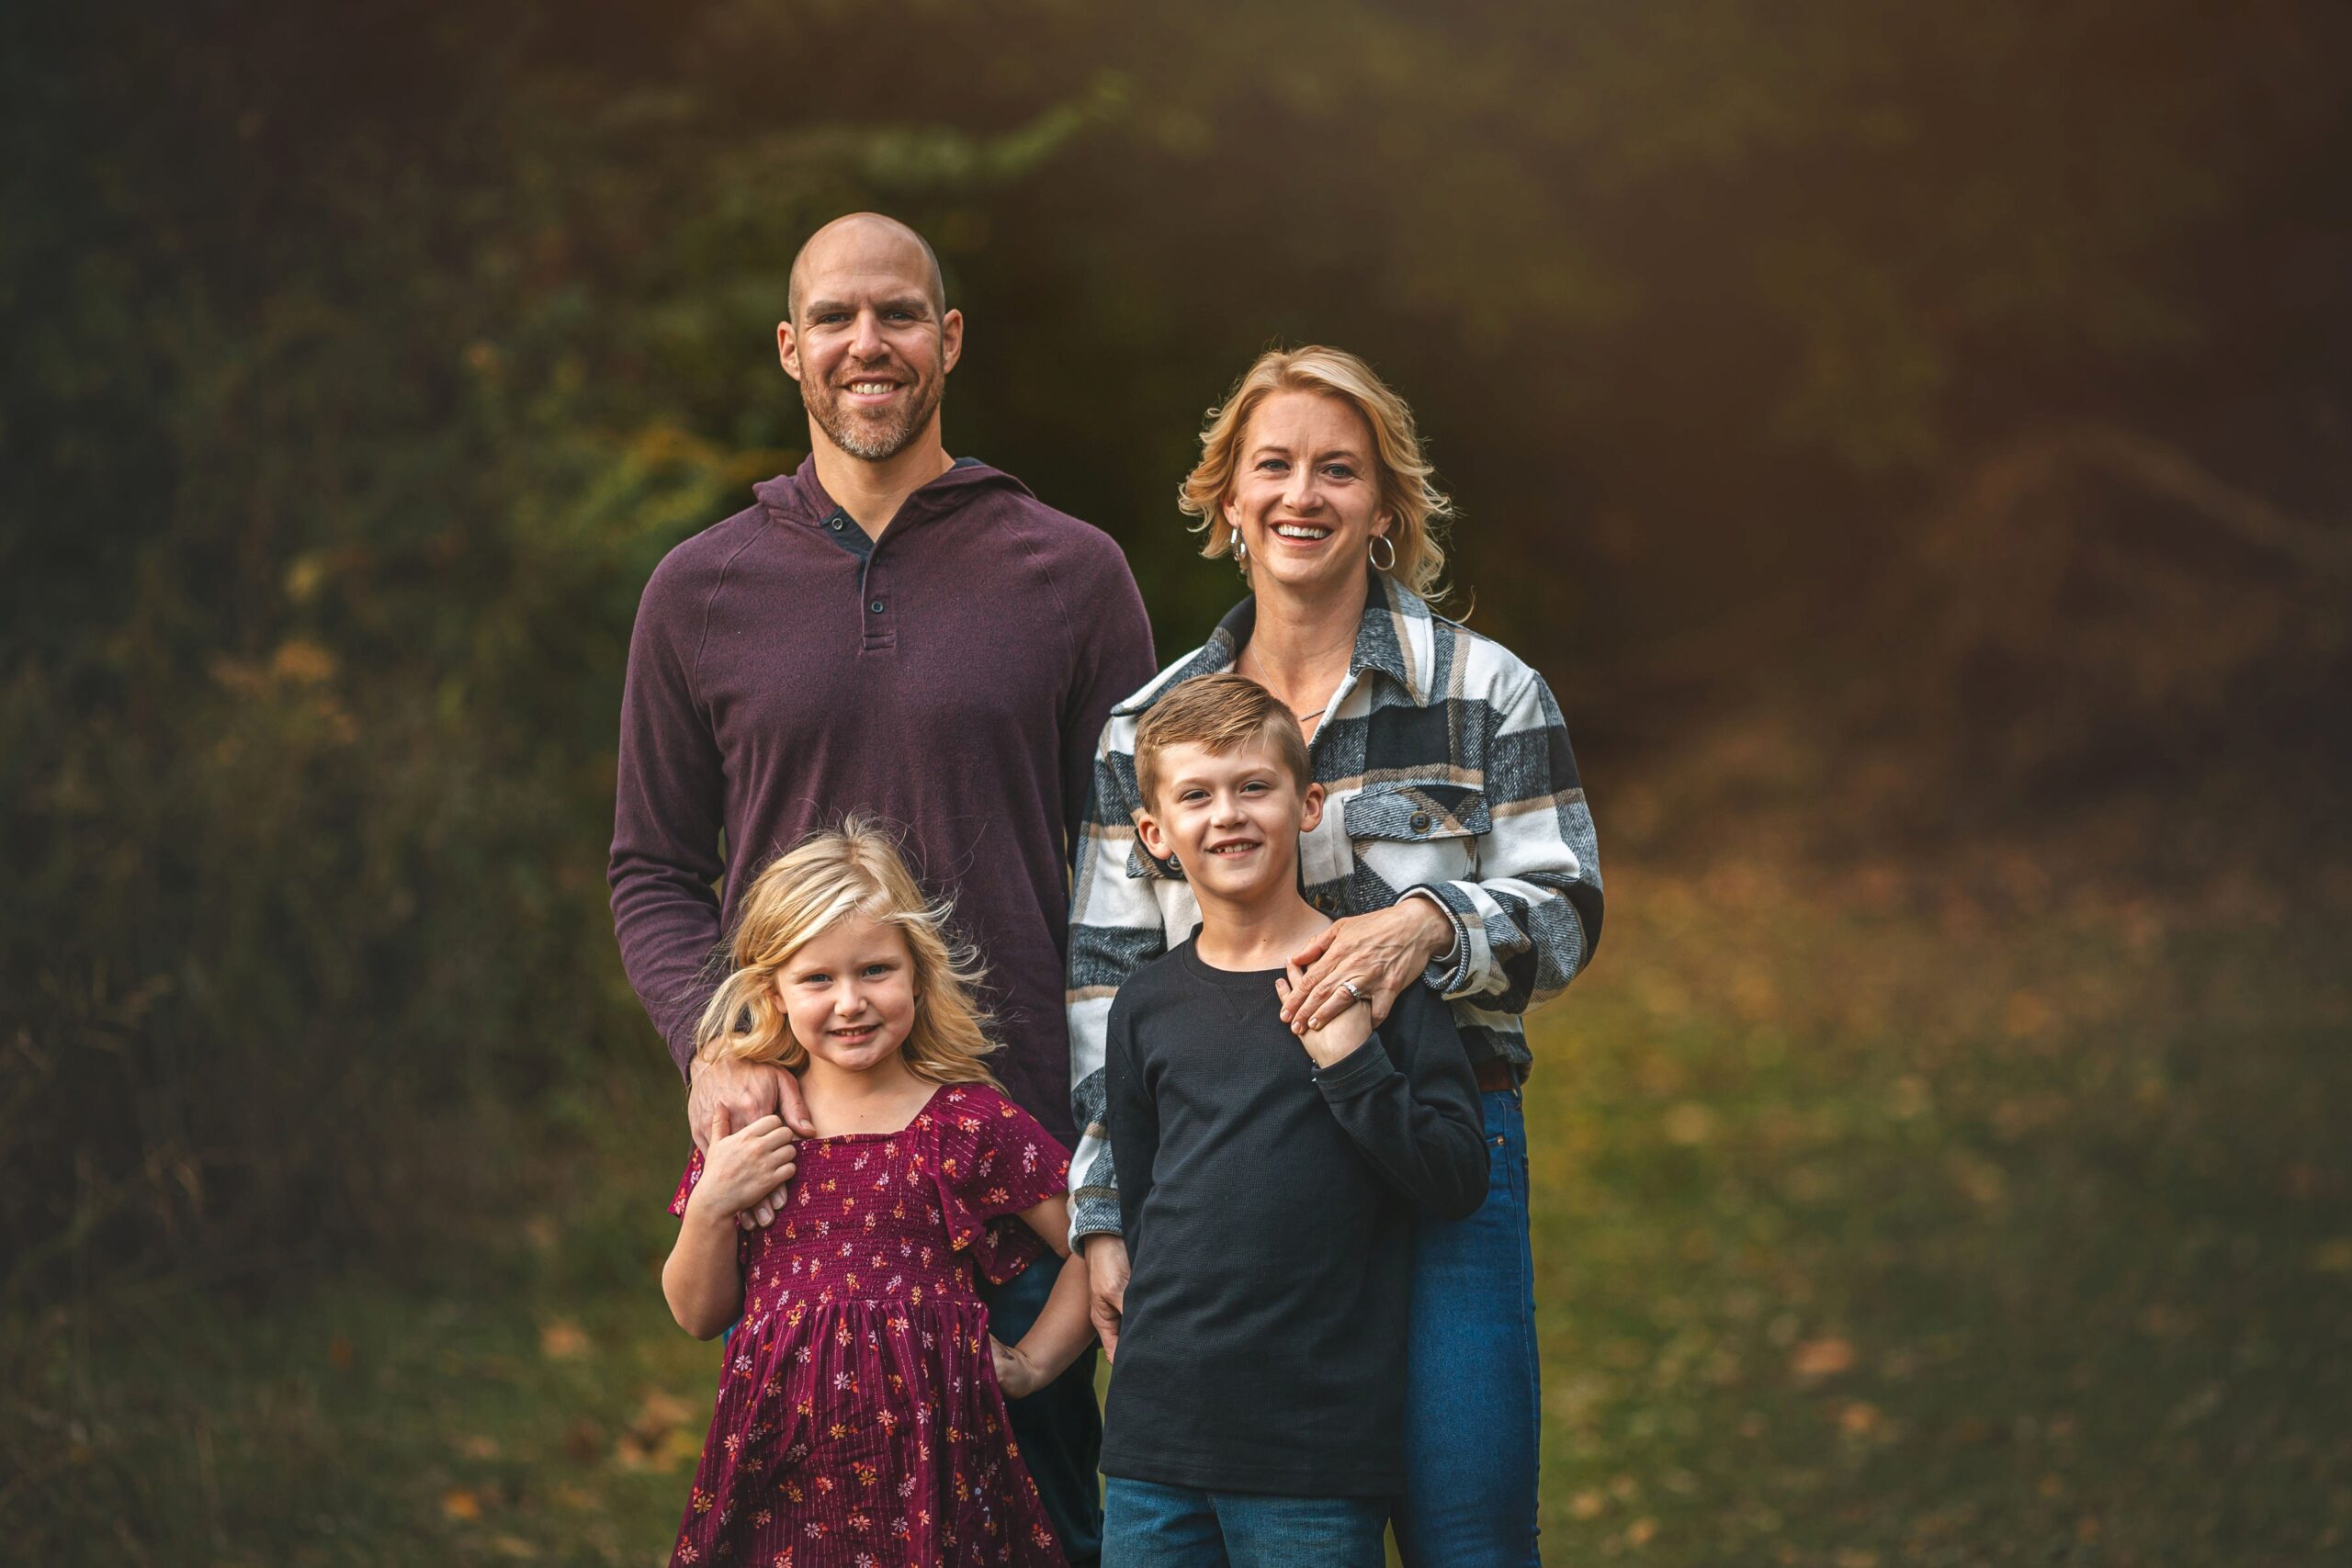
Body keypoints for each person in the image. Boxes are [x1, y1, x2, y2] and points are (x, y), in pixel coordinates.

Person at [612, 212, 1156, 1561]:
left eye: (900, 314)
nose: (870, 343)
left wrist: (1128, 1123)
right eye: (836, 318)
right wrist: (712, 1047)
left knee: (1035, 1530)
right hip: (809, 1186)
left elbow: (1145, 867)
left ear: (949, 339)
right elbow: (654, 870)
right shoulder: (699, 590)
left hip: (1019, 1163)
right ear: (789, 347)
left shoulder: (1072, 574)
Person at [1069, 347, 1603, 1565]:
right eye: (1273, 465)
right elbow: (1106, 981)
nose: (1301, 494)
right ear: (1228, 498)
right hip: (1233, 1177)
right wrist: (1105, 1211)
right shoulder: (1146, 730)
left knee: (1467, 1526)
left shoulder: (1489, 691)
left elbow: (1568, 907)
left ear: (1386, 505)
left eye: (1338, 470)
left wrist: (1429, 923)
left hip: (1442, 1147)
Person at [1095, 673, 1487, 1566]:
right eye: (1196, 795)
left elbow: (1457, 1178)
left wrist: (1352, 1066)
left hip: (1311, 1448)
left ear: (1308, 805)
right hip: (1155, 1441)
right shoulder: (1145, 1005)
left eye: (1253, 786)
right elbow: (1147, 1202)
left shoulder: (1378, 983)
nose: (1227, 815)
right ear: (1154, 833)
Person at [662, 822, 1096, 1568]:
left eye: (875, 970)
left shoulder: (966, 1122)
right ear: (773, 992)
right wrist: (711, 1204)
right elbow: (697, 1314)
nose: (851, 1001)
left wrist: (1031, 1363)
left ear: (918, 975)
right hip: (785, 1482)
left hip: (935, 1484)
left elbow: (1091, 1237)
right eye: (817, 979)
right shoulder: (751, 1133)